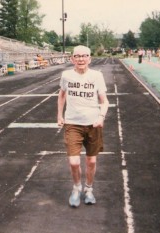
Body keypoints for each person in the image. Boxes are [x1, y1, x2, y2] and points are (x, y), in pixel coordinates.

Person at [57, 45, 109, 207]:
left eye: (84, 56)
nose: (81, 59)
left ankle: (89, 189)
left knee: (91, 161)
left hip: (93, 124)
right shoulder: (66, 75)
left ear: (89, 59)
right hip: (73, 124)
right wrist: (59, 115)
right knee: (74, 162)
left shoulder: (97, 76)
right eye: (77, 56)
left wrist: (101, 117)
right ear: (72, 59)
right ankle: (76, 187)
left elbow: (104, 101)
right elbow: (61, 95)